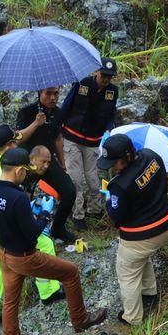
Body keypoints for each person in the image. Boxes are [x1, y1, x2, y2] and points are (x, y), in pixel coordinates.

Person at [0, 147, 107, 335]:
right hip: (25, 255)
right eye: (25, 171)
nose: (26, 175)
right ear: (19, 170)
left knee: (10, 301)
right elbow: (32, 234)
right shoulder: (17, 197)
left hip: (4, 253)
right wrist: (45, 215)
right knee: (71, 272)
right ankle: (80, 320)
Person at [0, 125, 65, 331]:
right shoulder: (3, 170)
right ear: (6, 147)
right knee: (45, 244)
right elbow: (10, 200)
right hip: (3, 229)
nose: (16, 145)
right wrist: (37, 215)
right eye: (13, 143)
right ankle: (49, 292)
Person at [97, 134, 168, 326]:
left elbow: (116, 215)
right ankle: (149, 293)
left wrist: (109, 200)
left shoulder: (120, 185)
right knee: (141, 258)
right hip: (166, 224)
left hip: (140, 236)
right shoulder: (152, 157)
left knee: (127, 274)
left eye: (115, 162)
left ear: (128, 156)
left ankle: (132, 318)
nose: (112, 167)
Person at [60, 57, 119, 232]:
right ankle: (77, 215)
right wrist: (57, 127)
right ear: (96, 72)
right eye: (103, 75)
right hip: (72, 137)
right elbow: (67, 105)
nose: (106, 79)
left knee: (93, 180)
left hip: (93, 141)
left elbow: (111, 114)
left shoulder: (113, 91)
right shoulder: (82, 84)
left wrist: (109, 129)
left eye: (110, 76)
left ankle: (95, 210)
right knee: (75, 179)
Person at [16, 87, 77, 242]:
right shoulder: (27, 112)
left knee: (69, 191)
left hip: (48, 162)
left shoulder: (58, 112)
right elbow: (19, 138)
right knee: (22, 198)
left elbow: (57, 138)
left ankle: (58, 228)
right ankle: (25, 230)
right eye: (48, 93)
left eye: (56, 93)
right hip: (28, 162)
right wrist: (36, 123)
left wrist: (63, 164)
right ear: (39, 93)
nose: (53, 97)